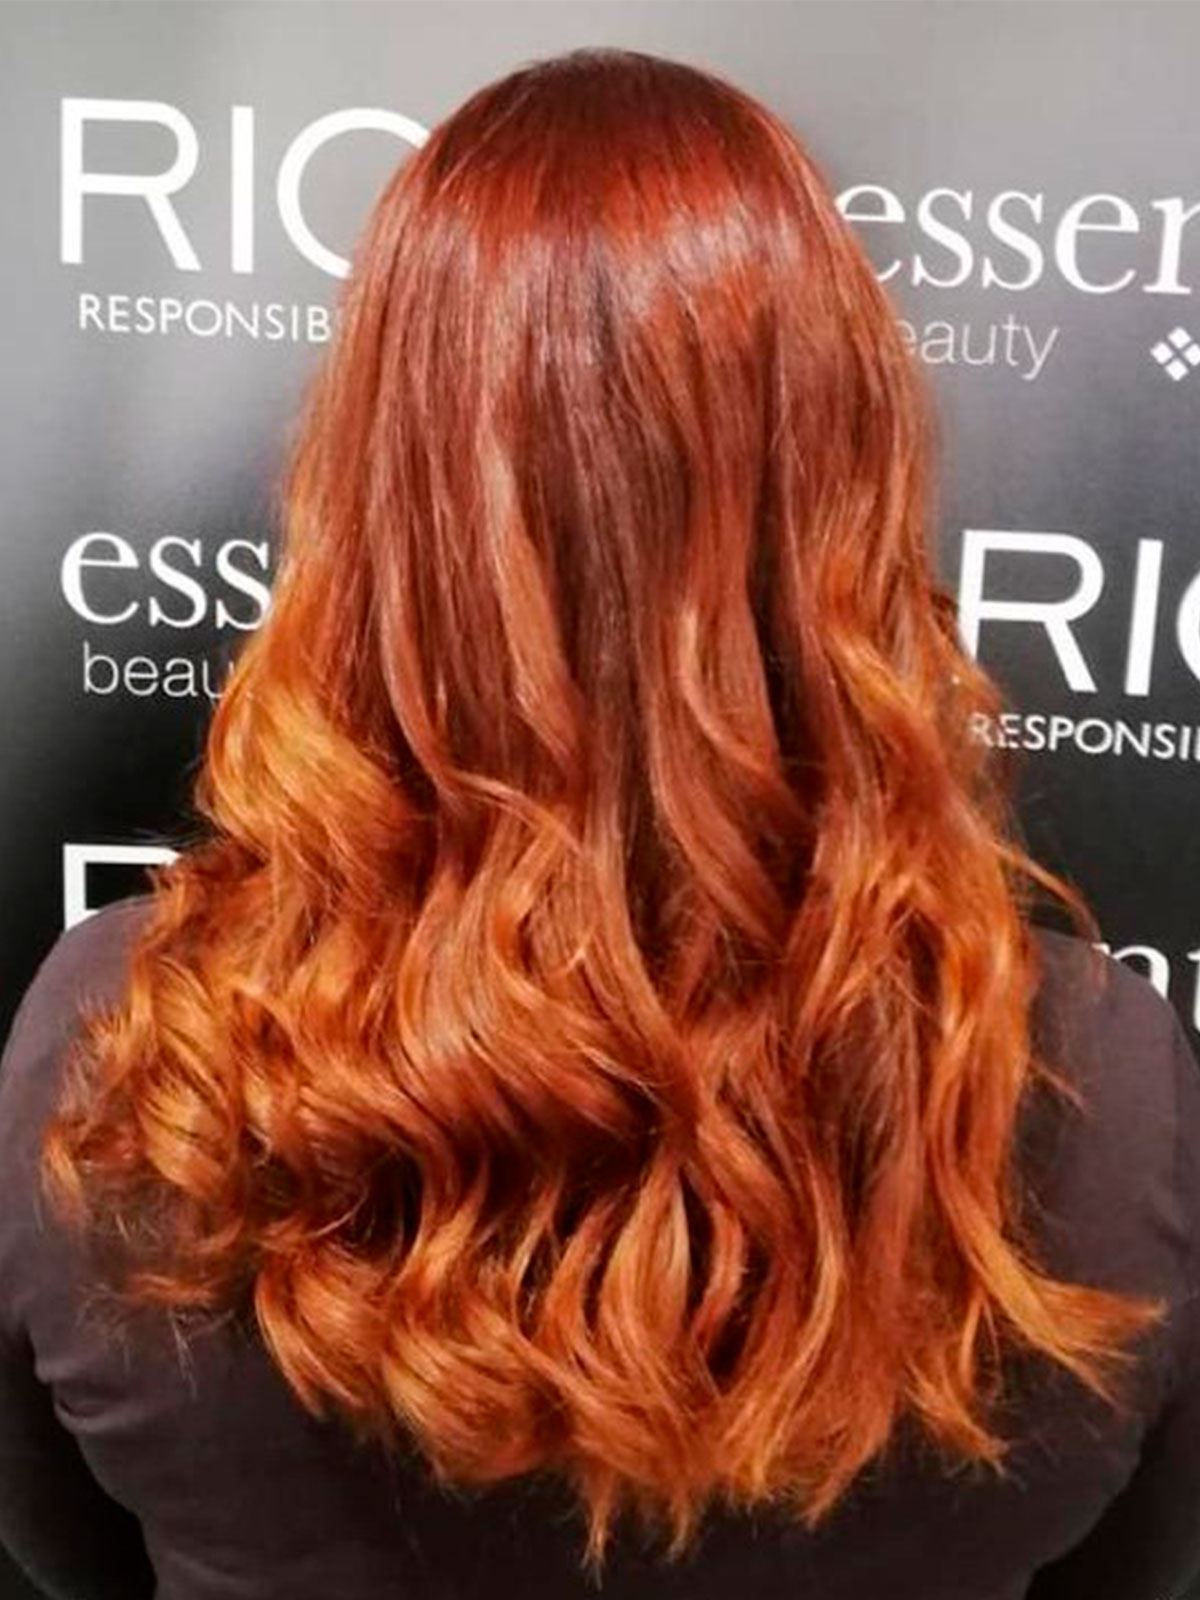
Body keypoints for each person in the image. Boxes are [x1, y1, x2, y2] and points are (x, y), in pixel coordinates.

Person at [1, 43, 1198, 1600]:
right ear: (845, 485)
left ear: (373, 485)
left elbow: (65, 1549)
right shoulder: (1107, 1093)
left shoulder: (115, 1061)